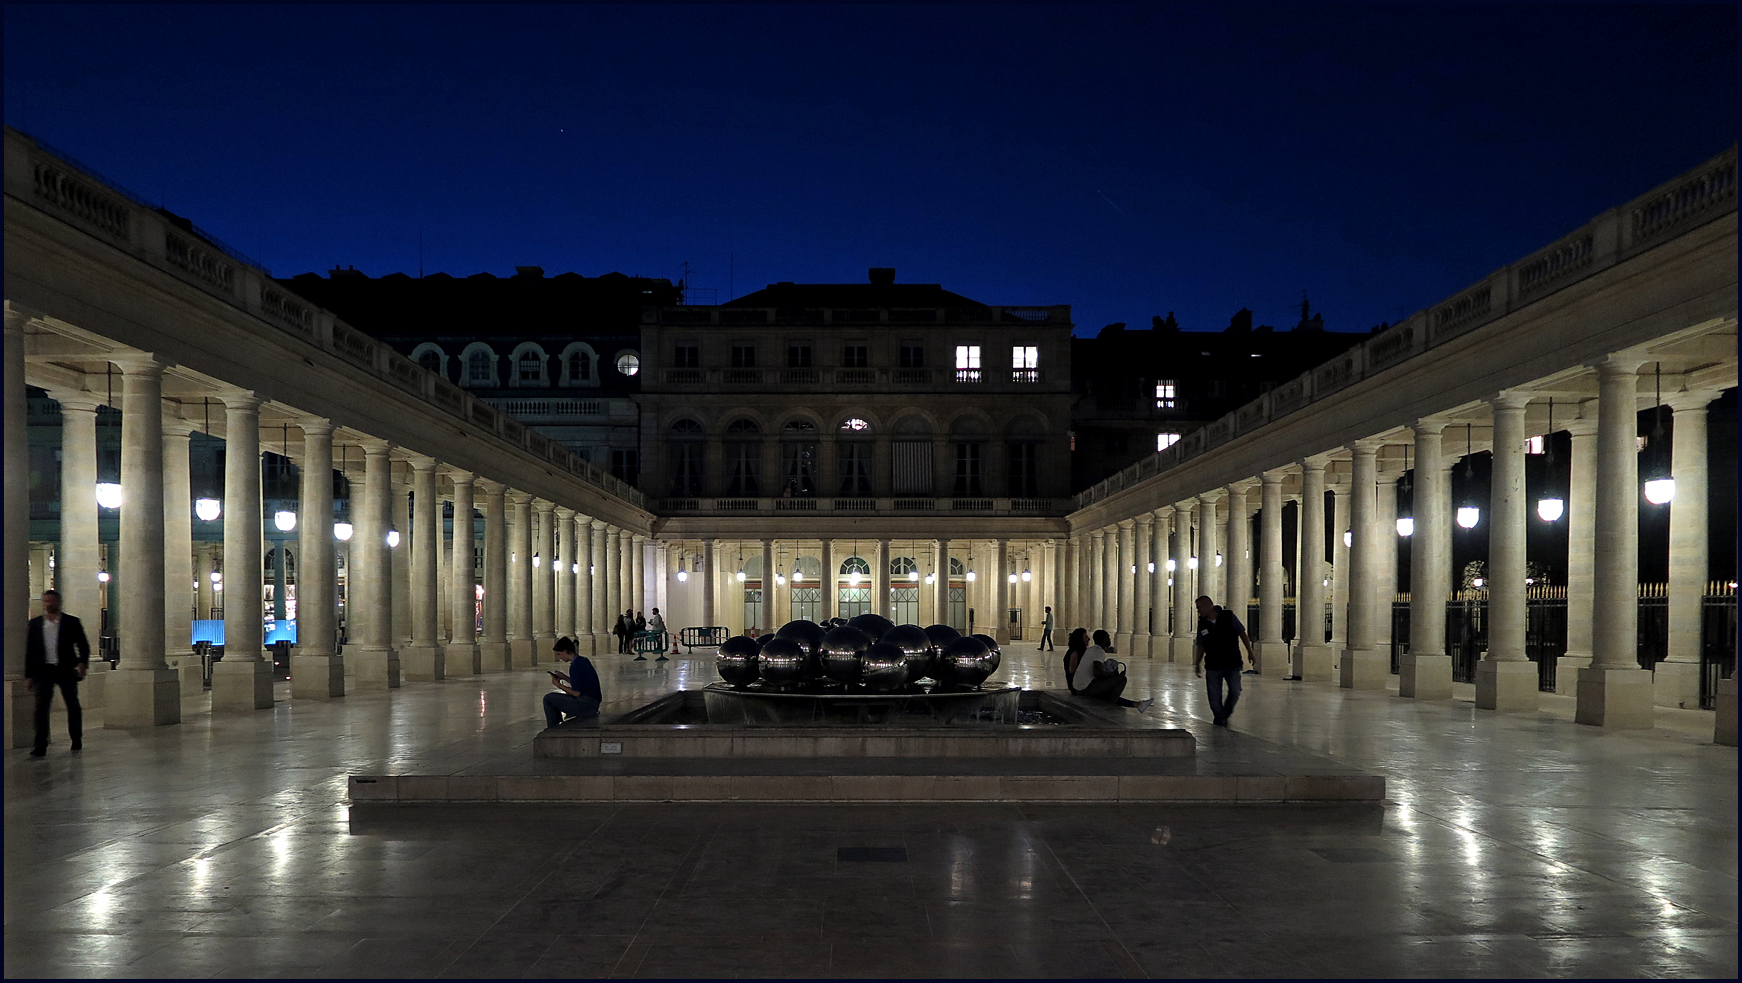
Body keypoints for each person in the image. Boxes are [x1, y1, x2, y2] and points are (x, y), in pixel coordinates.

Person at [26, 589, 91, 757]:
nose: (49, 604)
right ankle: (40, 744)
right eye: (46, 601)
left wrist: (82, 663)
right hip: (43, 670)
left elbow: (83, 645)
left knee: (72, 704)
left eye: (51, 601)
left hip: (65, 669)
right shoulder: (35, 624)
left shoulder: (71, 622)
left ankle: (76, 738)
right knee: (41, 709)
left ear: (58, 602)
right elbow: (30, 651)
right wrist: (29, 675)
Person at [1193, 595, 1256, 726]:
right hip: (1213, 664)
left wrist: (1250, 652)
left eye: (1199, 607)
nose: (1198, 611)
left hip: (1232, 662)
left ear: (1208, 606)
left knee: (1235, 690)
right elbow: (1201, 645)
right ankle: (1219, 716)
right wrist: (1197, 663)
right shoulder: (1202, 624)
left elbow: (1242, 633)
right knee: (1214, 696)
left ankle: (1224, 714)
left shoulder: (1228, 616)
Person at [1071, 629, 1152, 713]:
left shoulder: (1091, 649)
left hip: (1078, 687)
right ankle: (1109, 705)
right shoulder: (1099, 651)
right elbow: (1097, 672)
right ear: (1102, 639)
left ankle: (1138, 705)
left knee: (1110, 693)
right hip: (1085, 688)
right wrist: (1112, 675)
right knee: (1121, 679)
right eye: (1108, 638)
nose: (1109, 640)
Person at [543, 636, 602, 728]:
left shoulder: (575, 666)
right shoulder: (583, 660)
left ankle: (554, 729)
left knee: (548, 699)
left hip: (586, 706)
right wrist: (564, 677)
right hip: (594, 703)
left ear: (566, 651)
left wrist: (558, 685)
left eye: (559, 654)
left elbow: (576, 692)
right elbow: (582, 684)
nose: (560, 657)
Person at [1061, 627, 1089, 694]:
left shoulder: (1076, 651)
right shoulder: (1075, 653)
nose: (1088, 639)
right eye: (1086, 637)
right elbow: (1072, 671)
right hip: (1077, 687)